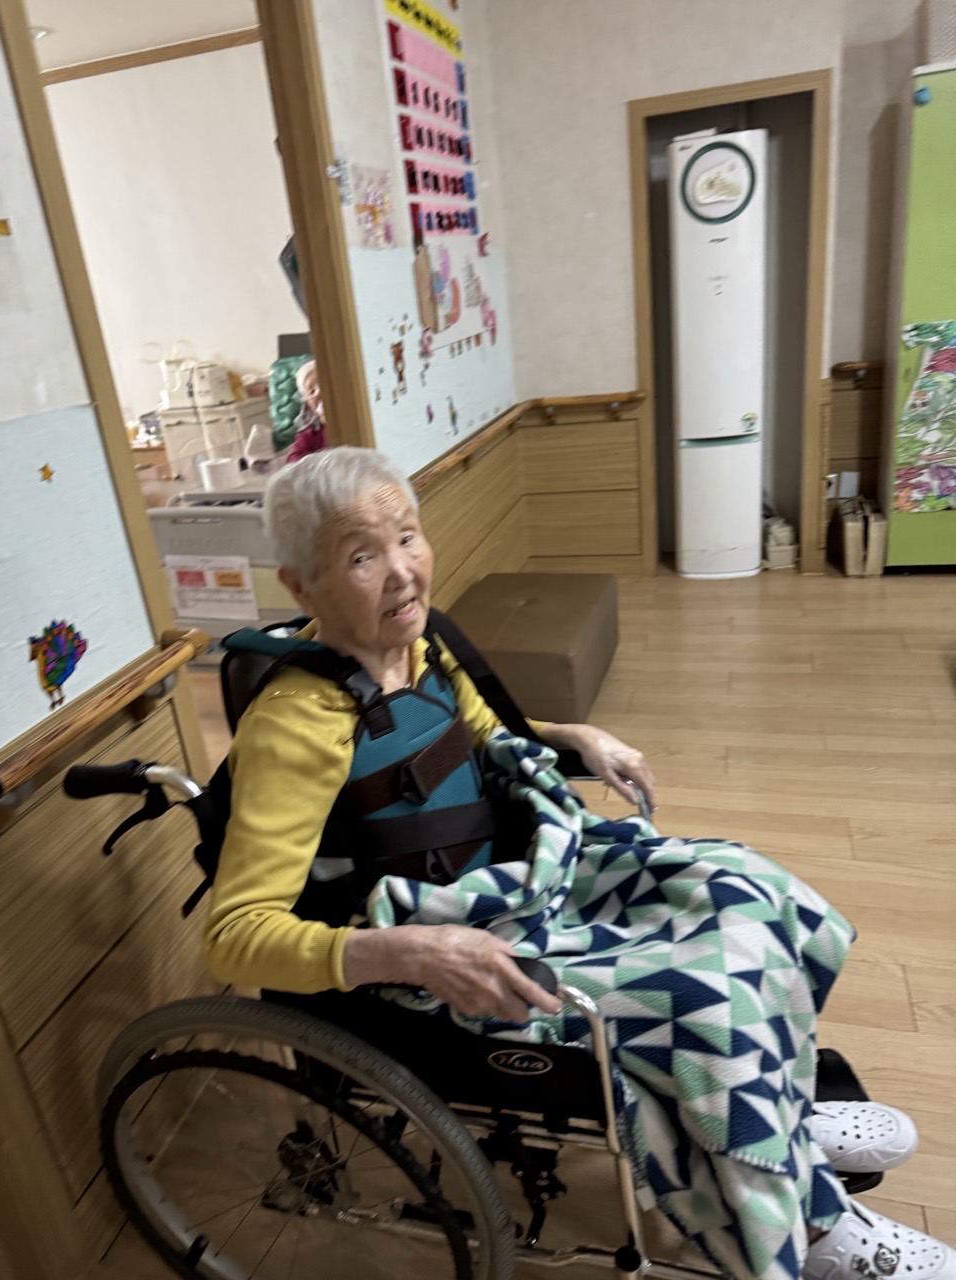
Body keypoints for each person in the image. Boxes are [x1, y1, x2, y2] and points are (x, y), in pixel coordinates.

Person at [203, 447, 954, 1280]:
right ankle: (802, 1226)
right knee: (701, 994)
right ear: (302, 586)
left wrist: (573, 736)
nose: (404, 572)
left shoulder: (419, 644)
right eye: (361, 556)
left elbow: (486, 735)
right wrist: (411, 950)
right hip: (441, 953)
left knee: (743, 885)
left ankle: (774, 1111)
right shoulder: (297, 725)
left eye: (407, 537)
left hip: (517, 876)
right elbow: (236, 935)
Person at [286, 359, 326, 463]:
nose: (318, 393)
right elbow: (293, 465)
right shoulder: (308, 437)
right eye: (312, 391)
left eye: (323, 385)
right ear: (308, 403)